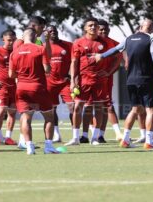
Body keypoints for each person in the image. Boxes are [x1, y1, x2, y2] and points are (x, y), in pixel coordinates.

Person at [96, 18, 153, 149]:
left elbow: (115, 50)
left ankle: (125, 139)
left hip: (131, 80)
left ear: (140, 27)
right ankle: (149, 142)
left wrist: (101, 56)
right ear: (151, 28)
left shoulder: (128, 39)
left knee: (135, 109)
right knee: (150, 110)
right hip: (146, 80)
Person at [8, 28, 59, 155]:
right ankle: (48, 146)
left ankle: (29, 146)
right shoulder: (40, 49)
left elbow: (11, 74)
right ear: (36, 36)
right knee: (49, 117)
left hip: (21, 88)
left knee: (26, 117)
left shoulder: (14, 53)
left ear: (22, 37)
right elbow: (47, 69)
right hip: (38, 87)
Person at [65, 17, 106, 146]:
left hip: (99, 81)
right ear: (85, 28)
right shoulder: (78, 42)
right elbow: (74, 61)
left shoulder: (104, 43)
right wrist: (72, 80)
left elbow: (116, 56)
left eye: (95, 25)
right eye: (90, 25)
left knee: (98, 107)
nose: (93, 27)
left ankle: (95, 137)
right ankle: (75, 138)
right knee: (77, 107)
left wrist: (109, 71)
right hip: (83, 80)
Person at [44, 25, 74, 143]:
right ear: (46, 33)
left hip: (65, 82)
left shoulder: (68, 45)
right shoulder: (43, 46)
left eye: (54, 31)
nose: (53, 32)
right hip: (49, 82)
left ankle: (75, 134)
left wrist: (72, 76)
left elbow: (74, 62)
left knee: (73, 107)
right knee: (52, 109)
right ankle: (56, 134)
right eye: (50, 31)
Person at [95, 19, 122, 143]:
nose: (103, 31)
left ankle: (109, 134)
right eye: (100, 29)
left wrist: (108, 72)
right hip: (89, 80)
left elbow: (118, 62)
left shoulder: (115, 44)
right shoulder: (90, 43)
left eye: (105, 29)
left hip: (106, 80)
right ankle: (92, 133)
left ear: (109, 30)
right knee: (89, 108)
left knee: (107, 106)